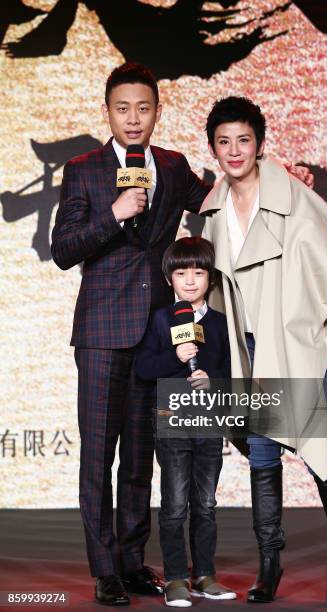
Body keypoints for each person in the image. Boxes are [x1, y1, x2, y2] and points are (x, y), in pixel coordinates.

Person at [51, 61, 312, 605]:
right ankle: (104, 569)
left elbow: (220, 199)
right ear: (108, 111)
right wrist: (115, 214)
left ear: (156, 112)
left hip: (160, 335)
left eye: (143, 108)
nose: (133, 118)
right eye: (122, 108)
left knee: (144, 455)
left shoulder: (172, 166)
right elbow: (63, 249)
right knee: (99, 454)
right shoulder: (84, 169)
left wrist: (281, 178)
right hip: (100, 332)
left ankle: (131, 559)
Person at [200, 96, 327, 603]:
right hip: (250, 348)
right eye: (224, 142)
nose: (235, 150)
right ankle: (270, 567)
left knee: (315, 451)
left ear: (259, 143)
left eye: (244, 139)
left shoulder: (293, 197)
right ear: (214, 150)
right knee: (262, 456)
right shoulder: (215, 209)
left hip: (294, 341)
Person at [134, 236, 236, 607]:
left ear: (210, 278)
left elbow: (230, 372)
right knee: (175, 503)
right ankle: (176, 576)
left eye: (198, 272)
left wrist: (214, 381)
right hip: (172, 419)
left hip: (209, 421)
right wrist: (177, 357)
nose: (190, 280)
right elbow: (144, 368)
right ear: (168, 278)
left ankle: (204, 574)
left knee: (205, 503)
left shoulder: (222, 324)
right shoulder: (161, 319)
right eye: (181, 273)